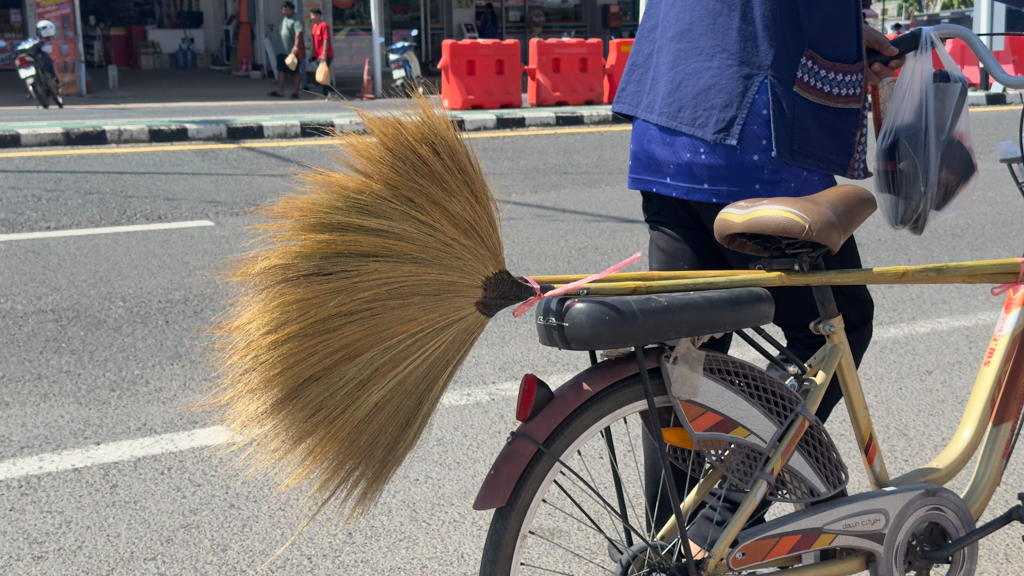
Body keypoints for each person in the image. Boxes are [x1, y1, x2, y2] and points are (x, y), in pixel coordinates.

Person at [610, 0, 905, 559]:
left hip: (668, 118)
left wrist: (846, 35)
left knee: (685, 356)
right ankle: (722, 516)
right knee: (835, 325)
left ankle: (667, 551)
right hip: (754, 135)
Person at [270, 1, 304, 99]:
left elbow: (298, 34)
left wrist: (296, 47)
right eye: (284, 10)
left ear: (292, 10)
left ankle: (296, 92)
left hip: (292, 51)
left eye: (287, 10)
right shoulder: (284, 19)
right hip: (281, 51)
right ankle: (280, 91)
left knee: (295, 71)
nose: (285, 12)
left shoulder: (296, 19)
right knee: (281, 70)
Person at [308, 8, 335, 98]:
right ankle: (327, 93)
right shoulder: (314, 27)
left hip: (326, 55)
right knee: (322, 74)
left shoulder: (324, 25)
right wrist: (312, 54)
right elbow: (314, 42)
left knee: (324, 74)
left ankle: (329, 93)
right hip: (318, 55)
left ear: (318, 15)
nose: (311, 17)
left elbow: (326, 40)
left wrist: (324, 53)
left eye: (313, 15)